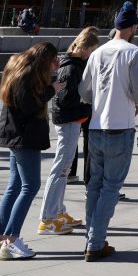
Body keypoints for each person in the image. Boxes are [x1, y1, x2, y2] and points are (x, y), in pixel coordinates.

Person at [79, 3, 138, 261]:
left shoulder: (98, 52)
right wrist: (135, 102)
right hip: (120, 124)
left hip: (96, 126)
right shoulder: (134, 53)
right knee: (110, 186)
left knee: (94, 184)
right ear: (132, 27)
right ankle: (95, 242)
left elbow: (84, 90)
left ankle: (91, 238)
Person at [0, 42, 56, 260]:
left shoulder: (17, 65)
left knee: (15, 185)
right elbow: (29, 105)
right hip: (24, 136)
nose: (54, 66)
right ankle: (11, 240)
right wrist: (52, 90)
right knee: (30, 186)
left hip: (14, 132)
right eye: (53, 62)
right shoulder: (29, 73)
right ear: (45, 60)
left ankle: (0, 238)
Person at [39, 26, 100, 236]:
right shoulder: (72, 67)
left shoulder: (75, 64)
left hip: (72, 119)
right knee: (60, 169)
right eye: (93, 49)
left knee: (64, 170)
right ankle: (47, 218)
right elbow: (65, 99)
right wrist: (88, 105)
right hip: (68, 120)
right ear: (86, 47)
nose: (93, 54)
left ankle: (57, 211)